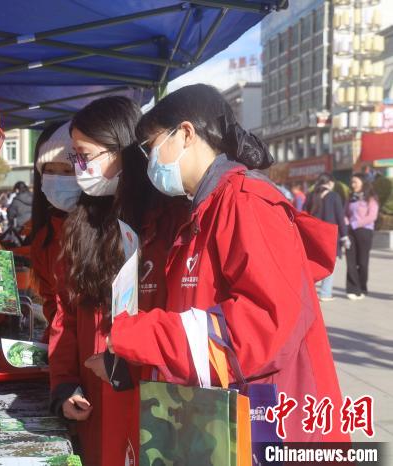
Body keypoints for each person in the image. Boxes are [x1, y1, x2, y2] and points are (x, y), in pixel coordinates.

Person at [103, 84, 348, 444]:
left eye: (151, 146)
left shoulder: (245, 202)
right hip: (225, 419)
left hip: (272, 425)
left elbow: (263, 326)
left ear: (186, 133)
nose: (149, 160)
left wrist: (141, 334)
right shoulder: (202, 208)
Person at [48, 96, 142, 466]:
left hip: (142, 400)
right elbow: (66, 315)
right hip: (92, 399)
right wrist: (65, 385)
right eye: (75, 157)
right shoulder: (81, 223)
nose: (79, 167)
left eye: (85, 155)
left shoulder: (158, 222)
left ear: (122, 149)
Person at [29, 121, 78, 342]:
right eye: (49, 171)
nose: (58, 180)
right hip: (63, 349)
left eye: (67, 171)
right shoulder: (44, 238)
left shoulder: (106, 231)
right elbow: (52, 306)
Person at [305, 173, 349, 302]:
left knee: (313, 264)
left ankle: (309, 292)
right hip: (330, 236)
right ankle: (325, 293)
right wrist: (345, 235)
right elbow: (340, 217)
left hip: (313, 235)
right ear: (330, 183)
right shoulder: (334, 196)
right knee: (329, 264)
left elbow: (304, 213)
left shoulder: (311, 195)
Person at [345, 173, 379, 299]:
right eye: (352, 182)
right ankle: (352, 289)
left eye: (355, 182)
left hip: (364, 231)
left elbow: (372, 216)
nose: (353, 184)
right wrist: (346, 222)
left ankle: (362, 287)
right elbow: (345, 213)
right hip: (350, 232)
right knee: (351, 261)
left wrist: (355, 224)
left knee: (362, 262)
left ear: (363, 183)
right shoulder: (351, 197)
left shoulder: (371, 198)